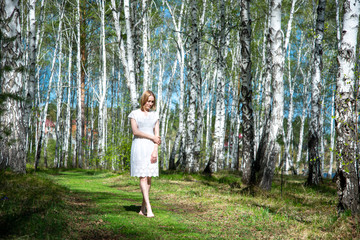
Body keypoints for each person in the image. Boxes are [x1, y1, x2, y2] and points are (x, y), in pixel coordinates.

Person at [128, 90, 160, 218]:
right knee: (143, 177)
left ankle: (142, 208)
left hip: (151, 148)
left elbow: (157, 135)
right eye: (148, 101)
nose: (150, 104)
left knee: (149, 177)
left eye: (152, 101)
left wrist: (155, 150)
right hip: (139, 146)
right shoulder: (134, 114)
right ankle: (149, 208)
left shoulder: (155, 115)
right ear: (143, 100)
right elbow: (135, 131)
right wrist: (151, 137)